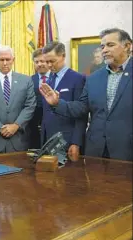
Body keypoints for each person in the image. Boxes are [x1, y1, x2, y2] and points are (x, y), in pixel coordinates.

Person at [40, 28, 132, 161]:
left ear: (127, 46)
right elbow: (82, 108)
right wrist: (57, 103)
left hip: (126, 150)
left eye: (110, 45)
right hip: (96, 150)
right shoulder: (94, 78)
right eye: (102, 46)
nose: (104, 50)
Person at [0, 46, 36, 154]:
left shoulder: (26, 80)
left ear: (13, 60)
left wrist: (16, 125)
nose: (5, 63)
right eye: (1, 59)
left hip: (18, 140)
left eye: (8, 59)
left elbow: (30, 106)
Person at [41, 41, 87, 161]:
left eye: (52, 61)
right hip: (48, 139)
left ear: (63, 56)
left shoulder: (77, 78)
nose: (49, 65)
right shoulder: (48, 79)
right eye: (46, 62)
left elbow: (82, 113)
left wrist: (76, 142)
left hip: (67, 139)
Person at [29, 48, 50, 149]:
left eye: (42, 61)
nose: (40, 64)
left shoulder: (56, 78)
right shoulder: (29, 80)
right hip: (34, 127)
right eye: (36, 62)